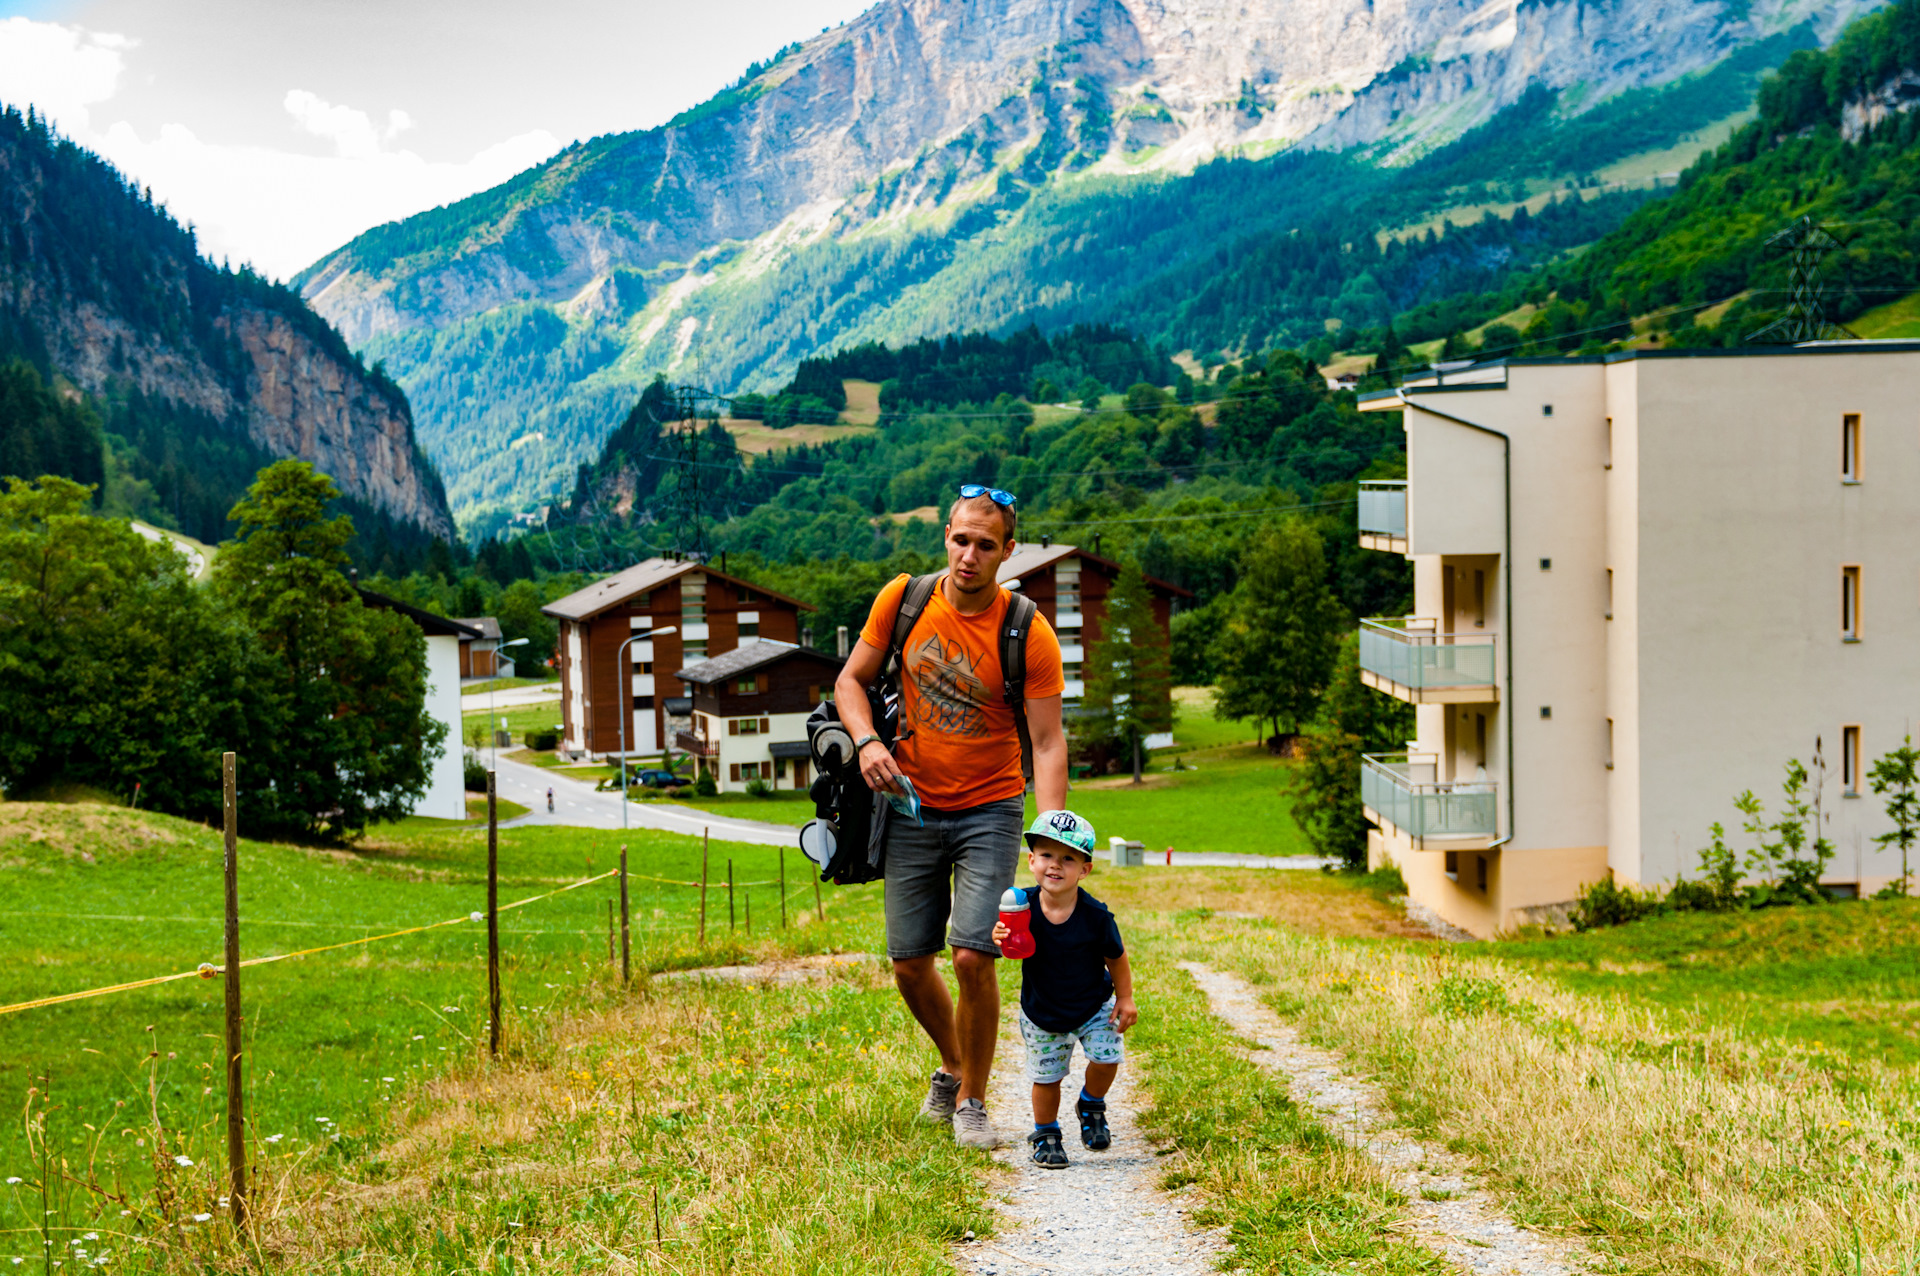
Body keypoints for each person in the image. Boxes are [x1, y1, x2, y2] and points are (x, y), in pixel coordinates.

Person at [833, 484, 1067, 1148]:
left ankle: (972, 1104)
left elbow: (1047, 743)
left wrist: (1050, 839)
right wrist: (868, 741)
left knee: (972, 954)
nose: (970, 555)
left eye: (985, 545)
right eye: (961, 539)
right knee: (909, 962)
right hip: (909, 804)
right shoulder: (903, 600)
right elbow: (850, 682)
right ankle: (955, 1064)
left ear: (1008, 551)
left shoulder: (1028, 631)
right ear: (946, 535)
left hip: (990, 806)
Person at [991, 810, 1137, 1169]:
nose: (1055, 866)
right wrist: (1000, 938)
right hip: (1043, 1011)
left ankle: (1090, 1103)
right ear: (1031, 860)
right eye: (1046, 855)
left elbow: (1116, 957)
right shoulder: (1020, 906)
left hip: (1094, 1006)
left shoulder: (1096, 916)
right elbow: (1011, 947)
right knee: (1047, 1077)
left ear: (1084, 870)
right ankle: (1046, 1134)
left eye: (1067, 858)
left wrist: (1126, 997)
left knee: (1107, 1058)